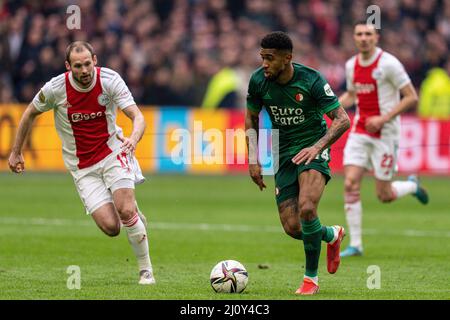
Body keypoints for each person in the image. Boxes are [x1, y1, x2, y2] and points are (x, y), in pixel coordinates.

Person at [8, 41, 155, 285]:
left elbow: (137, 117)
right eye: (78, 66)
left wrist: (133, 139)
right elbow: (29, 113)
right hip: (82, 168)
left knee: (125, 210)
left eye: (88, 64)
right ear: (69, 66)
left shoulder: (109, 80)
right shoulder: (56, 88)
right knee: (112, 227)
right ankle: (132, 212)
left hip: (113, 152)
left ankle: (146, 272)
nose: (84, 70)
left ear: (95, 60)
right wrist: (16, 152)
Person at [245, 31, 350, 295]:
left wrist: (317, 147)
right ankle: (331, 234)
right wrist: (253, 159)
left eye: (269, 58)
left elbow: (342, 119)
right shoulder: (258, 81)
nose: (264, 64)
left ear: (287, 58)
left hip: (313, 149)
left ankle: (310, 280)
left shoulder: (311, 80)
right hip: (283, 154)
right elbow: (251, 119)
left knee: (306, 208)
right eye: (262, 57)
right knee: (293, 227)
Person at [338, 22, 429, 258]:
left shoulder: (389, 64)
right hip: (360, 130)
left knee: (384, 195)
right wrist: (332, 107)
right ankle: (356, 244)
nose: (363, 38)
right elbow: (352, 93)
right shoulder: (351, 65)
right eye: (359, 34)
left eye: (368, 34)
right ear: (354, 38)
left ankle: (412, 186)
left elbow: (411, 97)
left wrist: (383, 118)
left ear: (376, 37)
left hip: (386, 133)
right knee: (350, 183)